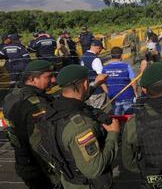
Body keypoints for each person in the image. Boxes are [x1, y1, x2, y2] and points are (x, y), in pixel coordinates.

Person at [36, 64, 120, 189]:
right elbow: (94, 169)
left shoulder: (54, 109)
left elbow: (79, 97)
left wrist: (96, 83)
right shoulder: (81, 126)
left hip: (69, 180)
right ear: (85, 83)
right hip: (88, 184)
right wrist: (113, 135)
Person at [3, 60, 58, 189]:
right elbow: (43, 141)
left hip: (23, 161)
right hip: (39, 167)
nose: (54, 80)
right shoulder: (36, 104)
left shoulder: (11, 96)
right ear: (32, 79)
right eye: (48, 77)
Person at [102, 47, 138, 115]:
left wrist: (108, 92)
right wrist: (135, 93)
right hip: (127, 96)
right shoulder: (126, 66)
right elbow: (133, 81)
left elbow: (102, 83)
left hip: (114, 97)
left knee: (117, 118)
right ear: (121, 55)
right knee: (129, 117)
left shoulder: (105, 68)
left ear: (111, 55)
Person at [80, 40, 108, 109]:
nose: (100, 51)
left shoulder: (83, 57)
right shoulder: (95, 59)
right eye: (101, 49)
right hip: (98, 91)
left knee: (93, 110)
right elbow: (101, 77)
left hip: (88, 90)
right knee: (99, 112)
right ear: (98, 47)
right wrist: (107, 91)